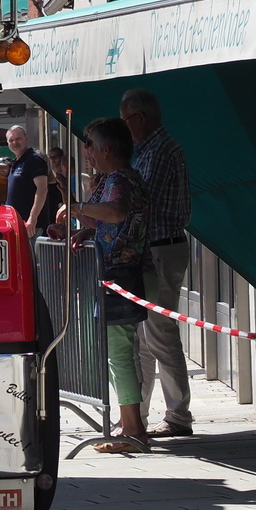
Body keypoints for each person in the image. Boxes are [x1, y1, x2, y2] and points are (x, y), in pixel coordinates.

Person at [64, 117, 150, 453]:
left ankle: (133, 430)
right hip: (124, 273)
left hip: (122, 275)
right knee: (121, 353)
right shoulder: (126, 177)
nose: (86, 153)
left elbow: (116, 212)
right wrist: (88, 229)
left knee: (119, 354)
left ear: (105, 149)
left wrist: (78, 207)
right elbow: (116, 222)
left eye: (89, 146)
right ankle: (131, 425)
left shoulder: (119, 178)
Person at [121, 87, 195, 438]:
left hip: (161, 248)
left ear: (140, 118)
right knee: (144, 336)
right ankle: (139, 416)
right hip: (153, 248)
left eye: (126, 121)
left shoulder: (160, 150)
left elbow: (139, 200)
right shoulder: (148, 150)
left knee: (160, 333)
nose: (125, 128)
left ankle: (179, 416)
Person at [3, 125, 51, 237]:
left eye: (18, 139)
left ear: (26, 138)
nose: (15, 142)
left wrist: (32, 219)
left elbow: (42, 189)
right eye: (11, 140)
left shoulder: (34, 159)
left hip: (32, 228)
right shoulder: (16, 162)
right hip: (17, 226)